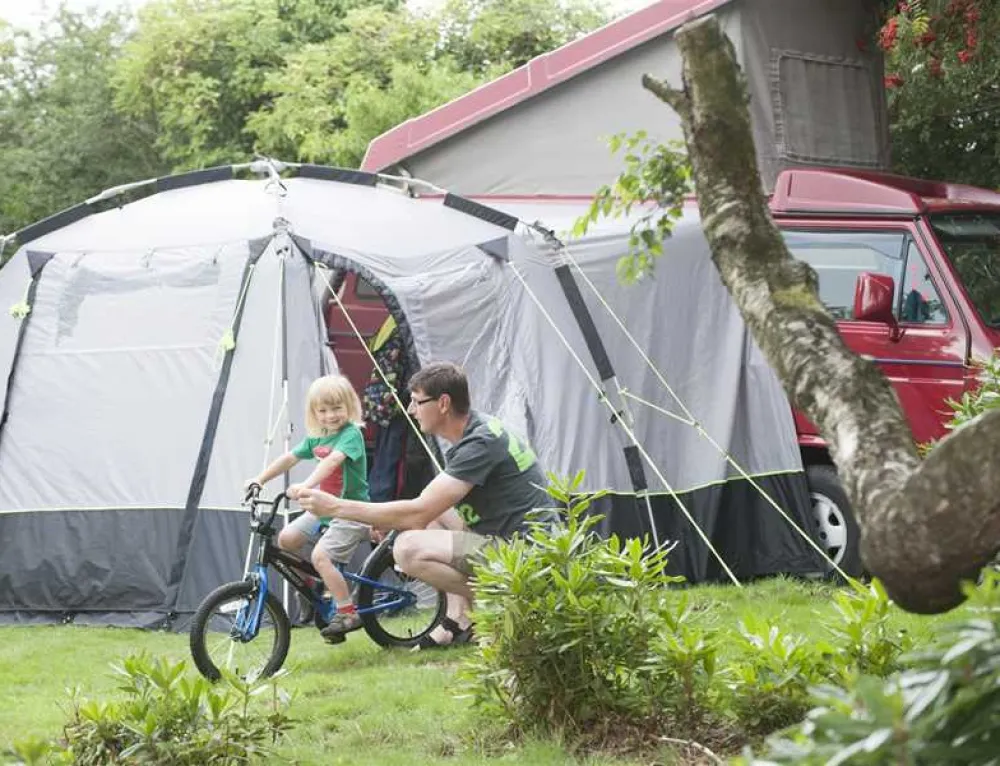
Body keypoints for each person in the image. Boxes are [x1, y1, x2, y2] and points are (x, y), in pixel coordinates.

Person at [299, 361, 555, 647]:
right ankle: (459, 618)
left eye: (417, 402)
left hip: (523, 554)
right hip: (507, 537)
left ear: (443, 403)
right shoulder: (476, 429)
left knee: (407, 549)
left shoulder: (478, 444)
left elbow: (417, 512)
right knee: (434, 511)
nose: (410, 410)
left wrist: (335, 507)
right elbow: (427, 509)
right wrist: (384, 520)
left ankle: (500, 605)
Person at [246, 374, 371, 642]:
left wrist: (307, 485)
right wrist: (260, 479)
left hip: (350, 510)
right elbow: (289, 458)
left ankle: (347, 612)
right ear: (314, 413)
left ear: (349, 406)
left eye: (337, 408)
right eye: (323, 410)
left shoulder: (351, 435)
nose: (330, 416)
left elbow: (333, 462)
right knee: (287, 539)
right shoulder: (318, 438)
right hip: (322, 508)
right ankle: (311, 586)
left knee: (321, 557)